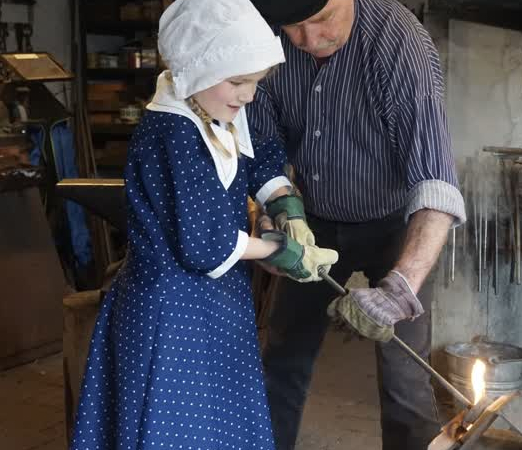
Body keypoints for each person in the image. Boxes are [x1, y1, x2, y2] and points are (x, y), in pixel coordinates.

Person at [69, 1, 338, 448]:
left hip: (215, 304)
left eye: (254, 83)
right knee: (180, 431)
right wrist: (280, 251)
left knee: (220, 427)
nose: (249, 95)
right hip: (172, 311)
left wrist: (285, 204)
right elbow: (205, 243)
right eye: (238, 82)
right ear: (197, 69)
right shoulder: (174, 132)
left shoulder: (214, 108)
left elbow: (259, 157)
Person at [247, 0, 466, 449]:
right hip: (312, 220)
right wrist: (274, 213)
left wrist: (403, 284)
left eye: (322, 20)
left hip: (395, 225)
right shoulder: (266, 35)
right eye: (294, 27)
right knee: (282, 359)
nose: (307, 42)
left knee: (404, 376)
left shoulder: (399, 43)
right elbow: (262, 147)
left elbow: (434, 179)